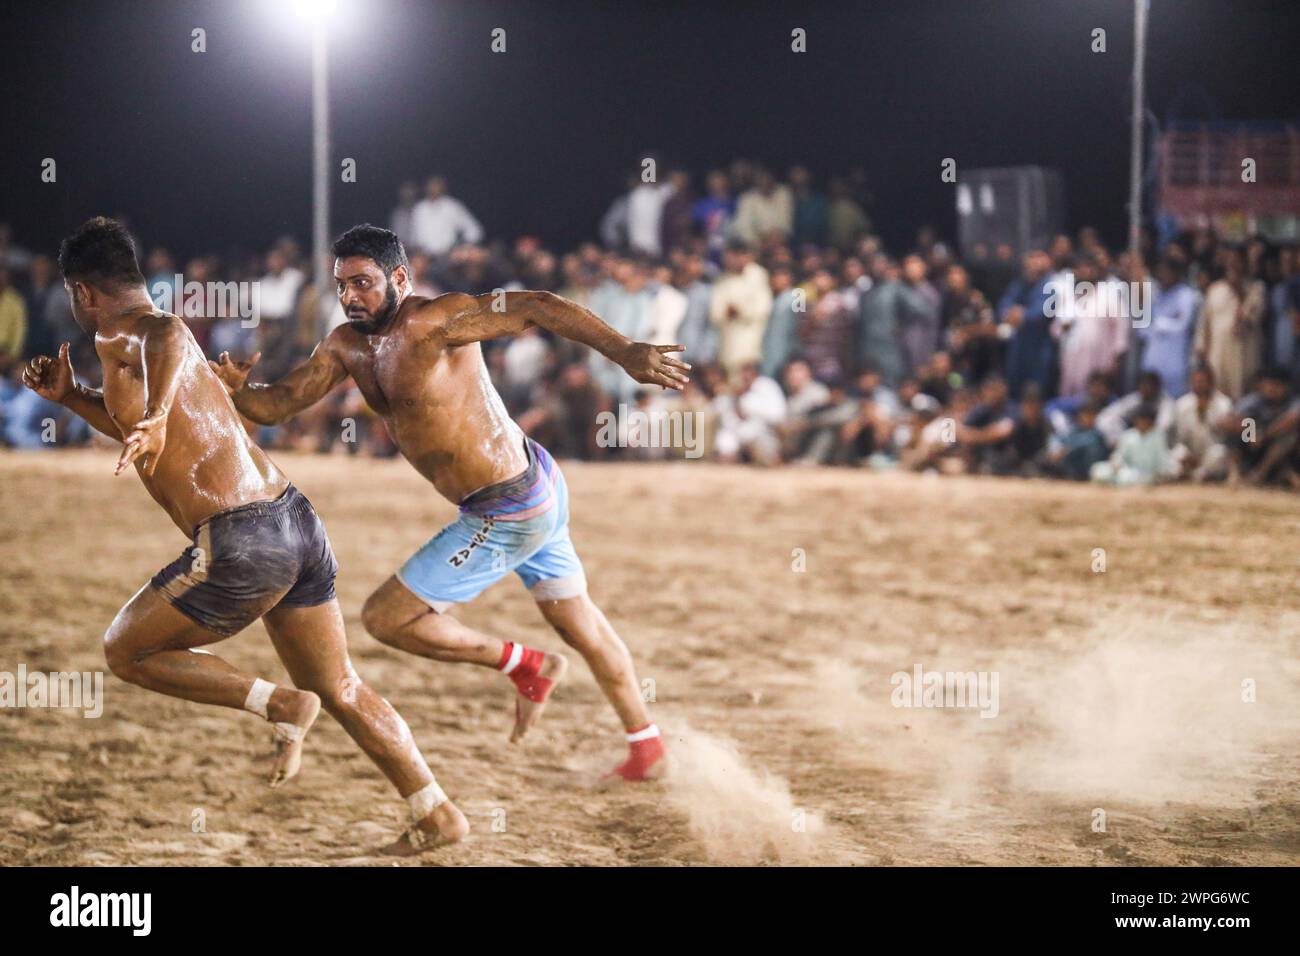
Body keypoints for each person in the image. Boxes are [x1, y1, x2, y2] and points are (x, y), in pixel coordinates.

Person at [23, 218, 466, 854]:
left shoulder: (135, 329)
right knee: (339, 686)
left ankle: (278, 705)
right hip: (293, 521)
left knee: (126, 651)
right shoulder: (137, 353)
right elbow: (151, 418)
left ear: (83, 294)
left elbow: (168, 334)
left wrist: (149, 415)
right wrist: (74, 399)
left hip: (240, 539)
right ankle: (436, 809)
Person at [214, 225, 687, 781]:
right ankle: (646, 745)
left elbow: (538, 305)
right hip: (530, 484)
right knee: (581, 624)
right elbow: (278, 406)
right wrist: (240, 390)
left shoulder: (438, 320)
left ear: (399, 277)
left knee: (387, 619)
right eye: (342, 286)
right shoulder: (346, 345)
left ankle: (526, 666)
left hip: (509, 507)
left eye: (363, 283)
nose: (350, 297)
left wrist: (625, 351)